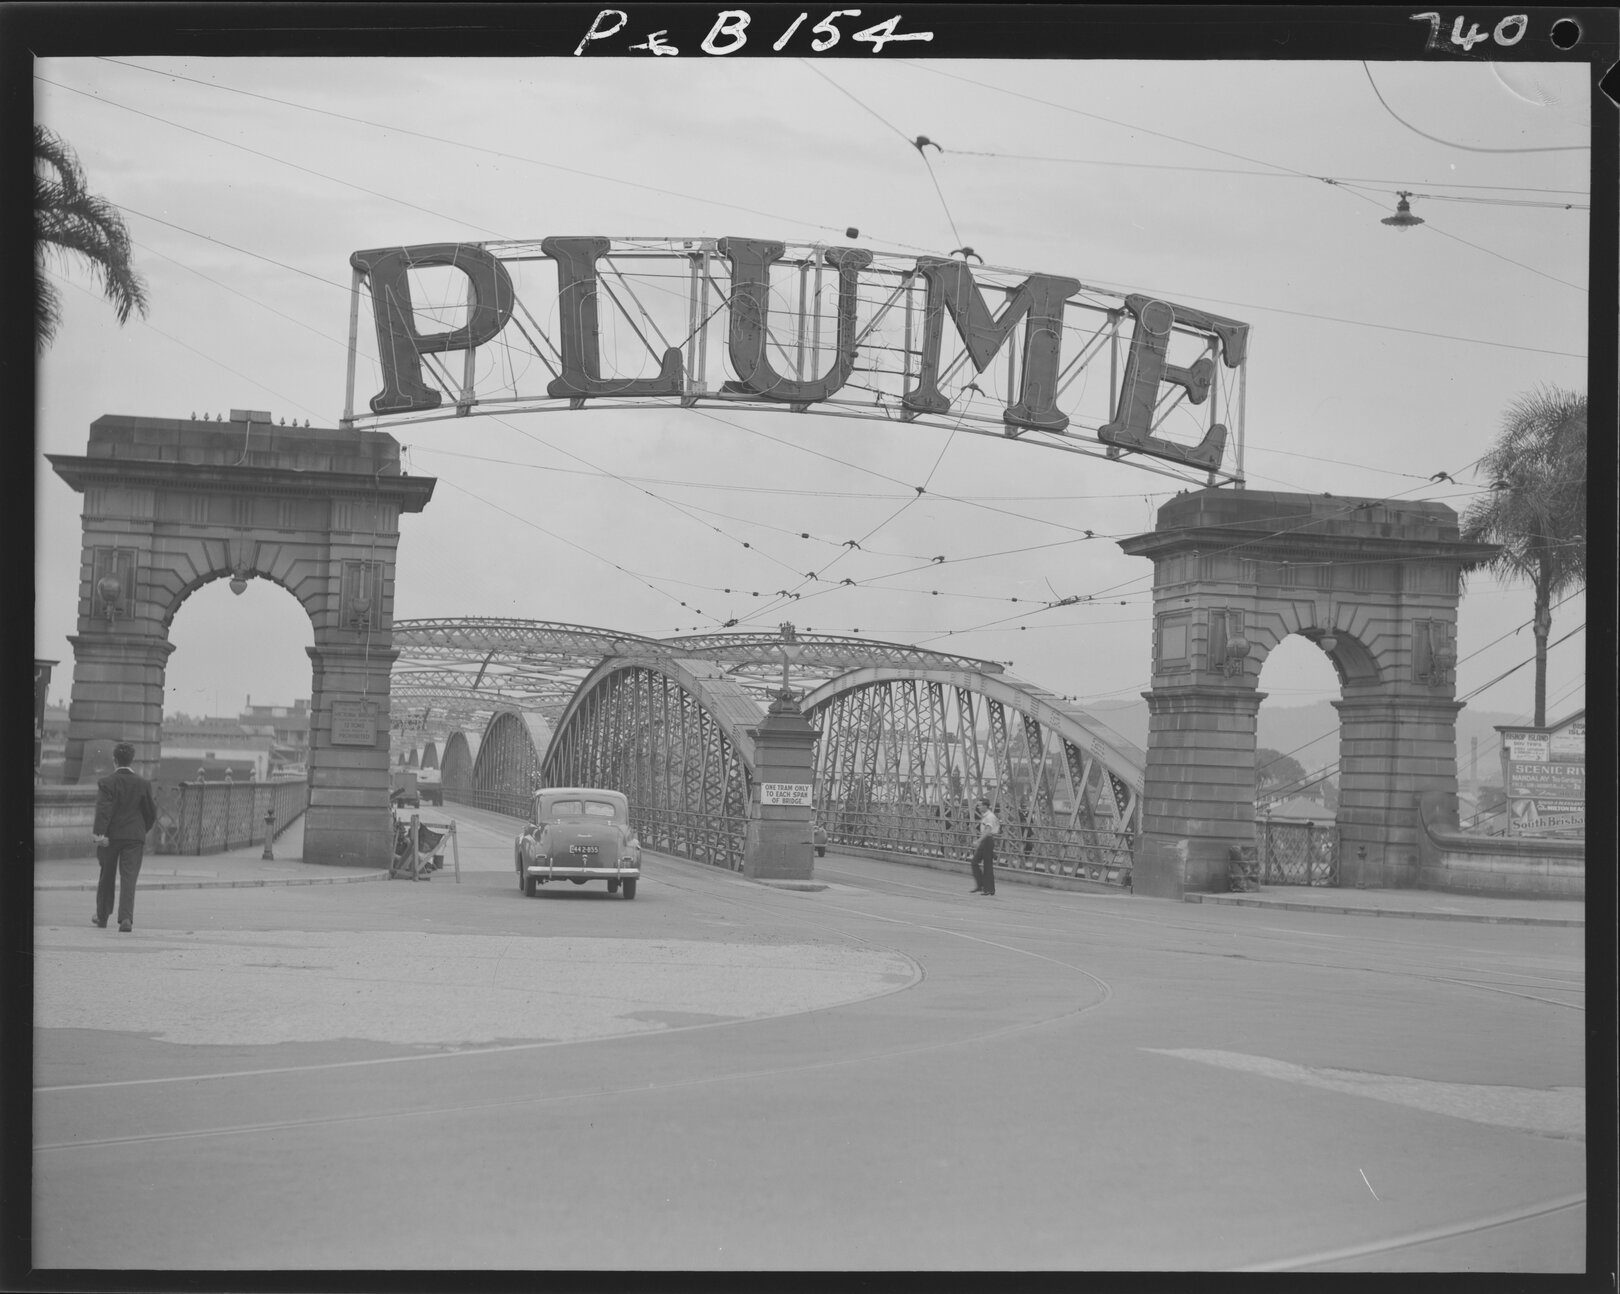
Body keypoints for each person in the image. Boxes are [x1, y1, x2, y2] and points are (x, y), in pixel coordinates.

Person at [92, 742, 157, 932]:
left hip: (110, 837)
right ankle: (126, 918)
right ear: (132, 760)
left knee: (106, 876)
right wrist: (140, 831)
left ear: (114, 760)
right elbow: (150, 814)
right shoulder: (143, 784)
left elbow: (103, 811)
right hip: (134, 837)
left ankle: (102, 916)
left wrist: (99, 835)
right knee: (129, 878)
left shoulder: (106, 783)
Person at [970, 798, 1000, 896]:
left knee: (987, 865)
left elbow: (988, 830)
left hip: (987, 840)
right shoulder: (985, 816)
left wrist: (979, 840)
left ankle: (989, 889)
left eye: (979, 805)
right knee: (974, 862)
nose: (978, 807)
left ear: (985, 806)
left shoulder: (989, 817)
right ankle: (981, 885)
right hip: (985, 841)